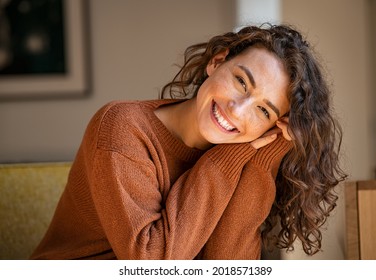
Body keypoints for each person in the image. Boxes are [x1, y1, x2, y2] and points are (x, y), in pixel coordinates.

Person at [30, 23, 346, 260]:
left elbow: (228, 267)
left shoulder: (242, 153)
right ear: (217, 62)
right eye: (240, 81)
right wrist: (228, 158)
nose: (237, 110)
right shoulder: (123, 127)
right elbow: (151, 266)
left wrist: (267, 154)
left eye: (263, 110)